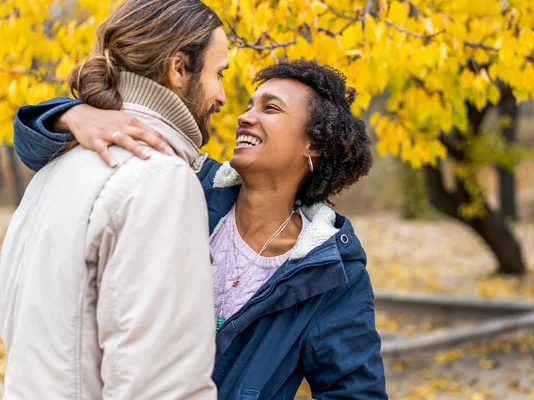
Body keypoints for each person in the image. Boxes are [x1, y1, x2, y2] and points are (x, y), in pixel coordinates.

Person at [13, 60, 388, 398]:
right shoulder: (182, 182)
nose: (245, 117)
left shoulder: (332, 270)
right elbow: (32, 140)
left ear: (314, 143)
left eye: (270, 108)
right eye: (249, 105)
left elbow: (356, 393)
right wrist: (74, 115)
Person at [0, 0, 229, 398]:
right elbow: (163, 385)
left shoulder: (55, 168)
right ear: (179, 68)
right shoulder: (159, 179)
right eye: (218, 74)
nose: (223, 96)